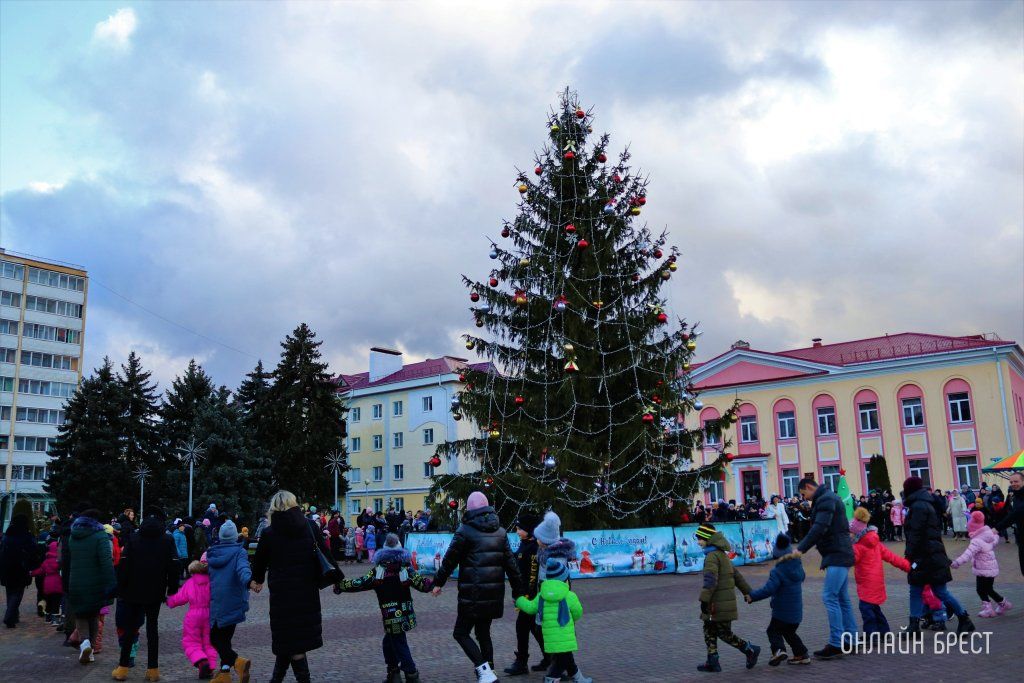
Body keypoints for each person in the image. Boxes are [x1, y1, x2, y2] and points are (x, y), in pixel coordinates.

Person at [430, 491, 522, 683]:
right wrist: (518, 592)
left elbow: (449, 560)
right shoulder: (501, 532)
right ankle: (490, 670)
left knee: (461, 633)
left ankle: (484, 670)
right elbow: (512, 565)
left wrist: (438, 582)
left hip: (472, 593)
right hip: (493, 594)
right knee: (483, 632)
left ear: (470, 509)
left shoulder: (465, 530)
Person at [252, 490, 342, 683]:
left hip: (281, 594)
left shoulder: (269, 532)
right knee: (292, 641)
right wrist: (337, 578)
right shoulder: (309, 526)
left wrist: (257, 580)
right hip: (305, 591)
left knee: (290, 641)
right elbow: (326, 553)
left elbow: (259, 561)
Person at [338, 533, 433, 682]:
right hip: (406, 613)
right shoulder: (406, 568)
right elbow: (421, 583)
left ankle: (411, 674)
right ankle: (394, 674)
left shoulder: (379, 571)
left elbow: (360, 583)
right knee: (389, 642)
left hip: (390, 615)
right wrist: (434, 584)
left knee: (398, 643)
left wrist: (341, 585)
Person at [787, 478, 856, 660]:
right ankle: (851, 639)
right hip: (839, 552)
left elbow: (819, 528)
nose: (805, 498)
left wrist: (801, 548)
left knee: (830, 597)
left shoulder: (825, 499)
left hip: (837, 553)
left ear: (809, 487)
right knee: (841, 598)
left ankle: (836, 643)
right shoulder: (827, 497)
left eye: (804, 494)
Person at [112, 505, 179, 682]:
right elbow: (173, 566)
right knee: (152, 628)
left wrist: (122, 587)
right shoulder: (167, 540)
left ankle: (123, 667)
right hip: (155, 590)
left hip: (133, 590)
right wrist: (172, 588)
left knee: (130, 628)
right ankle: (152, 669)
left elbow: (124, 564)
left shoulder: (134, 538)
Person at [902, 476, 975, 635]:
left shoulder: (919, 506)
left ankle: (915, 626)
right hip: (932, 554)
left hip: (924, 556)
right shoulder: (926, 503)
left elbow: (916, 533)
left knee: (923, 591)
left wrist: (909, 554)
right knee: (934, 591)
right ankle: (964, 619)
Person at [694, 524, 759, 673]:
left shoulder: (712, 556)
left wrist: (704, 600)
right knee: (709, 629)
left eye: (700, 539)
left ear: (707, 538)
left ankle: (750, 650)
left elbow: (710, 581)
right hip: (717, 602)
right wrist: (748, 592)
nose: (698, 542)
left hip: (717, 603)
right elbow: (736, 575)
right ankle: (713, 661)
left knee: (723, 633)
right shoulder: (721, 554)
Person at [515, 558, 591, 683]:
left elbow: (530, 608)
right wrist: (572, 620)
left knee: (567, 658)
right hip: (565, 635)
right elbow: (578, 612)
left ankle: (579, 678)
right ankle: (550, 680)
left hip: (550, 637)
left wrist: (519, 600)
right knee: (560, 664)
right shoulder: (569, 595)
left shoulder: (541, 595)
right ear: (564, 579)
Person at [747, 533, 808, 666]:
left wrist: (752, 596)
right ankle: (802, 654)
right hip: (797, 611)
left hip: (782, 611)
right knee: (789, 632)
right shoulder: (798, 566)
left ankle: (779, 651)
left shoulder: (778, 571)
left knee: (773, 631)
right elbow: (802, 577)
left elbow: (769, 589)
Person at [849, 507, 909, 635]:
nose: (849, 535)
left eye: (850, 533)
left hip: (866, 582)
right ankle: (884, 632)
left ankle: (871, 635)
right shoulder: (875, 542)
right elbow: (892, 557)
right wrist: (908, 566)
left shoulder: (857, 547)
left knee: (866, 609)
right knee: (874, 607)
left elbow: (849, 561)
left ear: (856, 533)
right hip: (876, 581)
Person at [68, 509, 116, 665]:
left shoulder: (73, 536)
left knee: (81, 614)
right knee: (94, 615)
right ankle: (91, 647)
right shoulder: (100, 536)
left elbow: (68, 560)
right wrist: (111, 583)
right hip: (96, 582)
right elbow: (106, 562)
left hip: (75, 581)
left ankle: (85, 643)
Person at [207, 520, 253, 683]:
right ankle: (226, 671)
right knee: (224, 638)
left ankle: (235, 663)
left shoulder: (212, 552)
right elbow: (243, 569)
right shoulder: (239, 552)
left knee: (216, 638)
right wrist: (249, 581)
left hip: (217, 601)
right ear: (235, 536)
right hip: (233, 601)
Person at [504, 511, 548, 676]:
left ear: (529, 529)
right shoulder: (525, 543)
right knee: (534, 628)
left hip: (530, 597)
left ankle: (522, 662)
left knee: (523, 626)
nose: (517, 531)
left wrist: (527, 596)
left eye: (519, 528)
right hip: (523, 595)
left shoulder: (533, 547)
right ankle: (549, 658)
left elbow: (532, 574)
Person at [951, 510, 1011, 617]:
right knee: (988, 589)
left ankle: (988, 609)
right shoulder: (989, 536)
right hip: (991, 568)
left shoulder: (976, 541)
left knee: (980, 590)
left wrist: (956, 563)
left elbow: (967, 554)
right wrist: (995, 534)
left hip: (983, 569)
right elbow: (996, 538)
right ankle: (1003, 604)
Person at [166, 556, 218, 679]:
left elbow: (180, 598)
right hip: (210, 615)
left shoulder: (191, 582)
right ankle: (210, 668)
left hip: (194, 615)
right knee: (209, 642)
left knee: (191, 641)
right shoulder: (214, 581)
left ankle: (201, 661)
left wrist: (169, 601)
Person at [1, 513, 36, 628]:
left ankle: (14, 615)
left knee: (10, 592)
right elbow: (32, 552)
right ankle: (9, 616)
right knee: (17, 593)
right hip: (21, 568)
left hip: (6, 567)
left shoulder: (7, 535)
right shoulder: (27, 536)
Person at [994, 471, 1024, 576]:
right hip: (1020, 535)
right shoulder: (1014, 497)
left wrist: (996, 528)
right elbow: (1006, 512)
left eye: (1016, 481)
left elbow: (1016, 514)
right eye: (1011, 482)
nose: (1013, 484)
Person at [30, 539, 63, 624]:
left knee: (48, 601)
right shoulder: (59, 561)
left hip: (47, 584)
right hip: (57, 584)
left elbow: (40, 570)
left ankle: (48, 618)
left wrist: (32, 573)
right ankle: (55, 620)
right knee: (56, 602)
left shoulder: (46, 560)